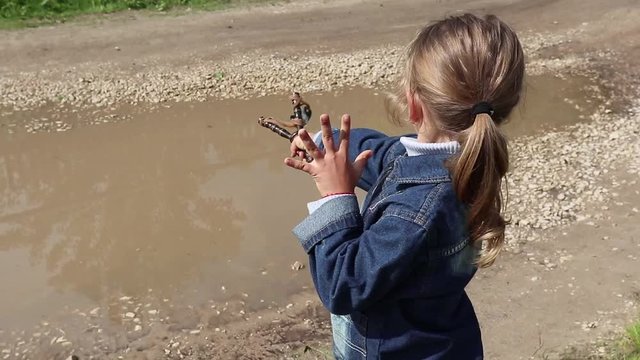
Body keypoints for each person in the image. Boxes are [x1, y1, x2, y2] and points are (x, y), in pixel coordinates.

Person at [283, 14, 525, 359]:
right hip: (445, 341)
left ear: (412, 104)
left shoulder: (415, 210)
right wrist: (324, 140)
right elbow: (383, 153)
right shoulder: (471, 159)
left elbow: (344, 284)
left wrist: (335, 196)